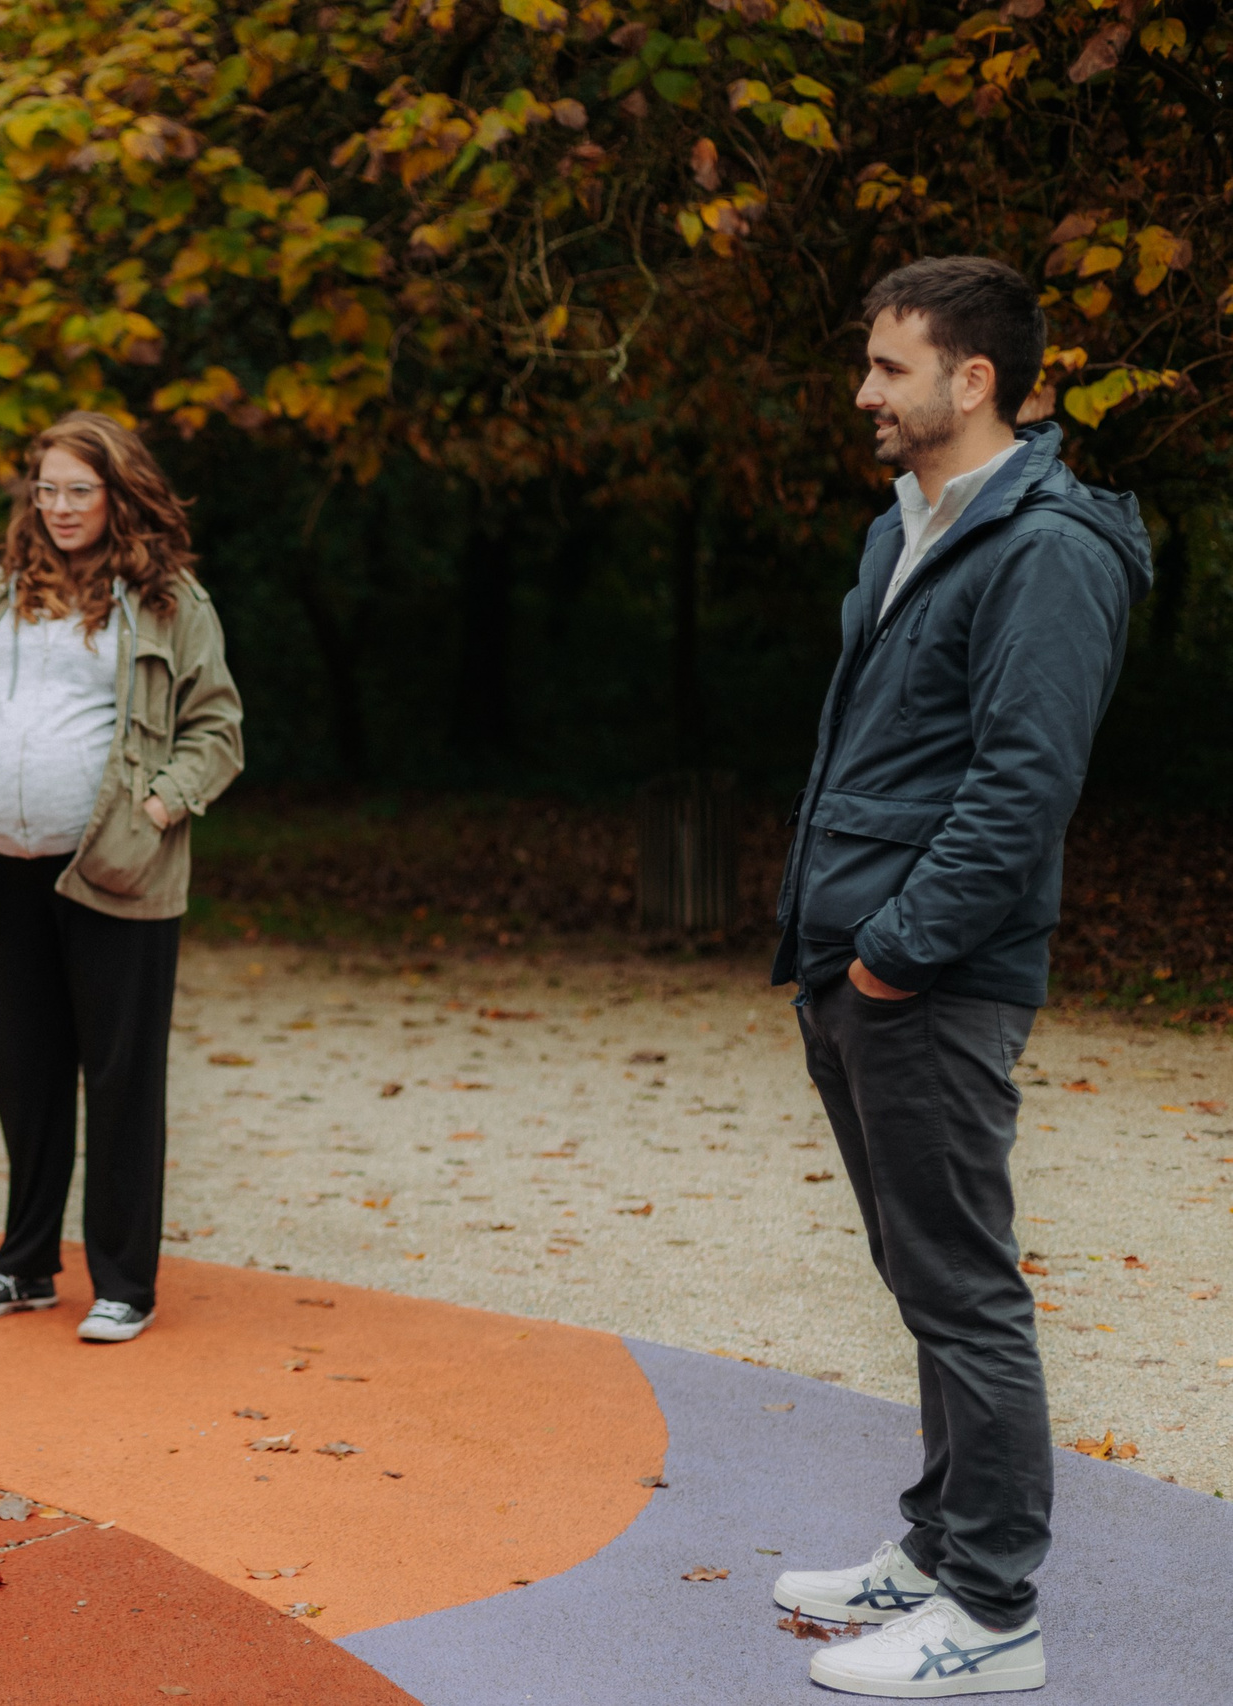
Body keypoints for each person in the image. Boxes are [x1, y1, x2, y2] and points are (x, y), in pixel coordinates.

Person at [768, 257, 1150, 1697]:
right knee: (919, 1275)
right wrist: (832, 947)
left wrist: (891, 959)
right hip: (852, 961)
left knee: (965, 1286)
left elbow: (1021, 787)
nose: (864, 391)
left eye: (887, 367)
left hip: (929, 977)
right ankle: (933, 1548)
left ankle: (992, 1610)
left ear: (970, 378)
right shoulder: (906, 528)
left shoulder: (1051, 550)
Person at [0, 412, 243, 1344]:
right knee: (26, 1067)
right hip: (7, 867)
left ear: (119, 493)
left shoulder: (169, 599)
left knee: (121, 1076)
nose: (57, 507)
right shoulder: (3, 590)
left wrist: (159, 811)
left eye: (77, 490)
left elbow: (219, 730)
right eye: (45, 489)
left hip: (117, 872)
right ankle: (25, 1268)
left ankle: (125, 1282)